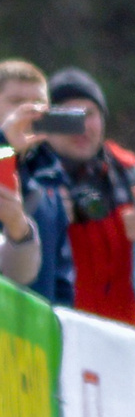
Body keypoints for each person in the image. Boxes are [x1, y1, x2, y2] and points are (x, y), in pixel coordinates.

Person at [22, 69, 135, 325]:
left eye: (90, 114)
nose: (81, 126)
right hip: (52, 341)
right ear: (46, 123)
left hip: (125, 345)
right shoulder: (26, 172)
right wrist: (45, 217)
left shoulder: (130, 174)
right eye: (68, 116)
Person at [0, 61, 57, 294]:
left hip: (33, 325)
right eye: (16, 102)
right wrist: (5, 144)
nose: (28, 111)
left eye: (37, 104)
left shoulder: (53, 176)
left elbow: (60, 273)